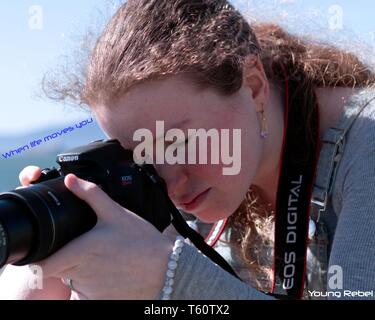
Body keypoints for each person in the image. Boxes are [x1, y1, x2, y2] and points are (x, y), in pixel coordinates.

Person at [0, 0, 374, 300]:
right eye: (140, 156)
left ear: (255, 86)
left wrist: (167, 278)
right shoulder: (181, 187)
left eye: (179, 143)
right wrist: (53, 261)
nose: (171, 183)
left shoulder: (366, 145)